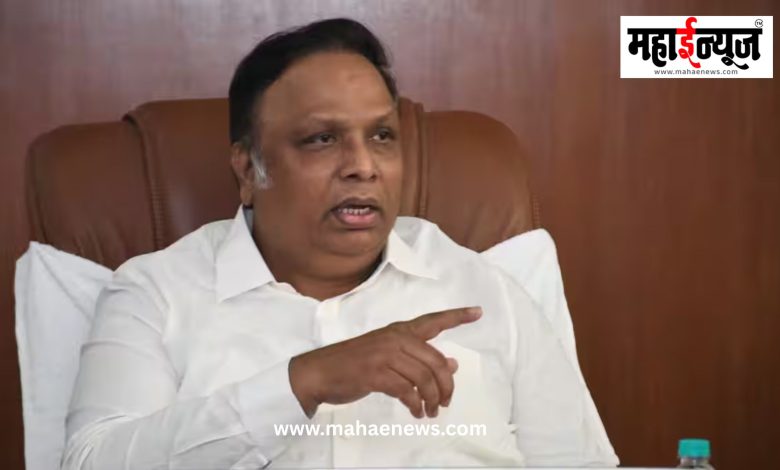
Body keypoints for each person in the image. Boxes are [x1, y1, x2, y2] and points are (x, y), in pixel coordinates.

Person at [62, 18, 618, 469]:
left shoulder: (485, 291)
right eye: (322, 139)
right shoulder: (155, 294)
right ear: (248, 170)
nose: (363, 166)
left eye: (382, 136)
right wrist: (305, 381)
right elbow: (90, 461)